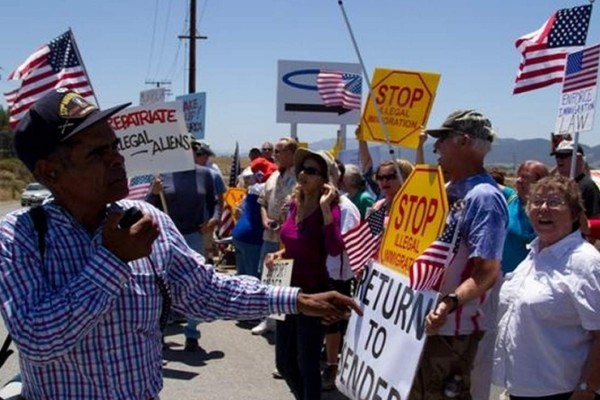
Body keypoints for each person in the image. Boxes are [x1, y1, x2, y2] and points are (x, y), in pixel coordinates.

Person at [0, 88, 360, 400]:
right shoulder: (21, 236)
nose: (117, 158)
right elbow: (36, 339)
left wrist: (297, 299)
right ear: (50, 173)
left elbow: (204, 290)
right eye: (97, 153)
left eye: (114, 145)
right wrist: (112, 260)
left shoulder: (144, 217)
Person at [409, 109, 508, 400]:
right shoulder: (448, 189)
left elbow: (486, 270)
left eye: (442, 140)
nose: (435, 147)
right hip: (422, 320)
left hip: (453, 330)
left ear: (464, 141)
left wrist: (450, 303)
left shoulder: (484, 197)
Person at [493, 175, 600, 400]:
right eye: (537, 201)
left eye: (554, 202)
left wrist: (586, 390)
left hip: (561, 392)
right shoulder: (533, 256)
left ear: (573, 214)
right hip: (520, 389)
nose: (543, 208)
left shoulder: (584, 262)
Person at [265, 148, 344, 400]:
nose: (303, 174)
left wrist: (323, 207)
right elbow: (291, 243)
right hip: (287, 290)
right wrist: (278, 254)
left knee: (307, 361)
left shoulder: (331, 209)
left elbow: (333, 249)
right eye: (302, 169)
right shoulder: (293, 204)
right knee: (285, 362)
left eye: (311, 171)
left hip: (314, 291)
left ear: (324, 178)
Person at [471, 160, 549, 400]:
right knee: (491, 338)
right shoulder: (510, 199)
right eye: (519, 176)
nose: (521, 181)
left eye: (528, 178)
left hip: (532, 286)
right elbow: (481, 178)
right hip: (501, 284)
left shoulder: (546, 214)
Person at [145, 146, 219, 352]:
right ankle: (159, 336)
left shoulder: (205, 175)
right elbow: (149, 206)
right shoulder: (162, 176)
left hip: (194, 236)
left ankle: (192, 334)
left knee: (195, 285)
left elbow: (214, 203)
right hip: (166, 238)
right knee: (163, 288)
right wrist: (154, 193)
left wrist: (214, 218)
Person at [252, 137, 298, 337]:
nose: (275, 155)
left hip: (287, 237)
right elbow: (262, 201)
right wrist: (264, 219)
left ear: (292, 154)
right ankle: (268, 319)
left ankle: (282, 322)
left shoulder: (300, 178)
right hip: (269, 234)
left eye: (280, 151)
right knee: (268, 275)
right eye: (276, 151)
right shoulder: (272, 177)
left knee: (284, 277)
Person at [322, 158, 361, 391]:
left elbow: (342, 244)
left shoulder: (346, 208)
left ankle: (333, 365)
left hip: (336, 273)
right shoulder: (312, 202)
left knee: (332, 323)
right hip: (316, 270)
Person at [231, 157, 277, 278]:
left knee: (241, 279)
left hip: (239, 234)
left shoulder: (252, 189)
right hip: (254, 238)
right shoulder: (267, 188)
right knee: (253, 280)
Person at [553, 140, 600, 219]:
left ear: (578, 158)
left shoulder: (588, 186)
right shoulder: (556, 185)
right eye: (557, 156)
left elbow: (595, 219)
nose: (559, 160)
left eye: (564, 156)